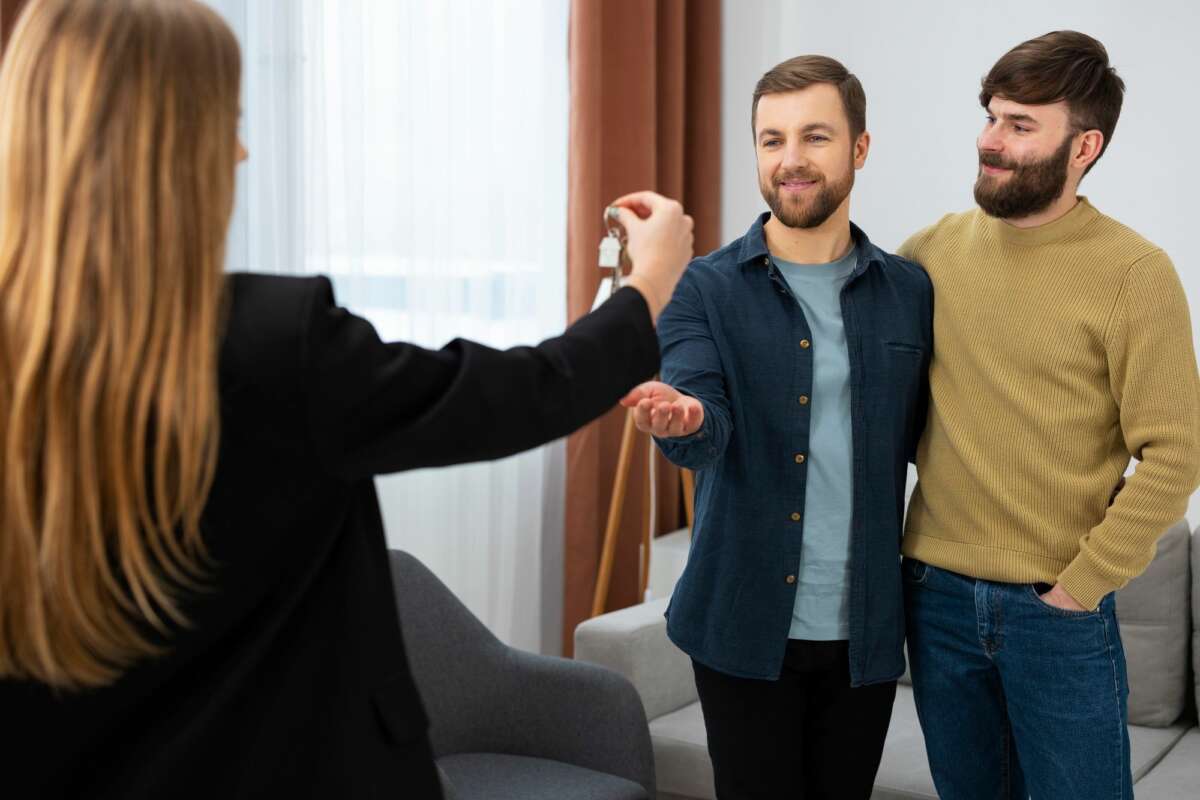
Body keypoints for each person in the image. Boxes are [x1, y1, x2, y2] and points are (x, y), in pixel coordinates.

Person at [0, 1, 693, 797]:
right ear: (163, 147)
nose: (240, 150)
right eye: (223, 120)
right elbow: (517, 395)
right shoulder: (273, 345)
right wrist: (646, 288)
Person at [899, 30, 1200, 799]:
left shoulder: (1135, 273)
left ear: (1084, 146)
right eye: (992, 116)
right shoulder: (928, 254)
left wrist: (1081, 587)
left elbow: (1176, 453)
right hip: (933, 601)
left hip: (1055, 613)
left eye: (1021, 124)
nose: (991, 142)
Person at [622, 55, 932, 799]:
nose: (790, 160)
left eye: (815, 137)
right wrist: (682, 418)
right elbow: (699, 420)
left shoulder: (909, 291)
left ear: (859, 149)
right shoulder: (705, 286)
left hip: (866, 630)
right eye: (771, 140)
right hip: (740, 622)